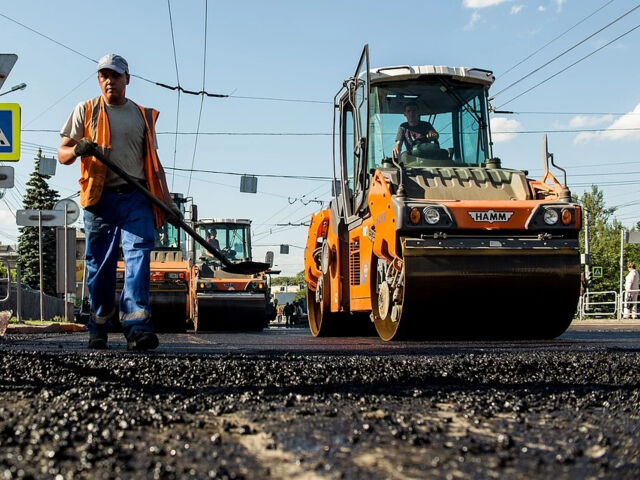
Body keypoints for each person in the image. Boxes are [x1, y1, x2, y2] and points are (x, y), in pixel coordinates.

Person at [58, 53, 174, 351]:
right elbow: (62, 153)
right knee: (100, 266)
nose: (109, 80)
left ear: (127, 79)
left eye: (115, 75)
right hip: (100, 199)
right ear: (99, 80)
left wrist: (167, 203)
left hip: (136, 196)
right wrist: (78, 149)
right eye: (103, 75)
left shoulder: (142, 116)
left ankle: (136, 327)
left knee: (139, 259)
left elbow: (153, 164)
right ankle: (99, 323)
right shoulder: (85, 110)